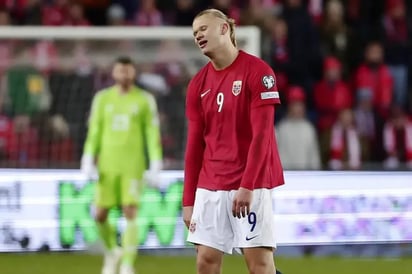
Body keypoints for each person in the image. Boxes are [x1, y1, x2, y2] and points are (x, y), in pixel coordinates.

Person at [183, 8, 285, 274]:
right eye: (195, 33)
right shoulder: (197, 84)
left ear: (224, 28)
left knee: (259, 265)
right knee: (205, 259)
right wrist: (188, 200)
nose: (198, 35)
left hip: (251, 182)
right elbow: (194, 145)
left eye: (203, 28)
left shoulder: (259, 72)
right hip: (210, 183)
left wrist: (247, 186)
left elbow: (262, 136)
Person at [81, 56, 162, 274]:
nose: (124, 75)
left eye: (127, 71)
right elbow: (95, 131)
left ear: (133, 73)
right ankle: (111, 251)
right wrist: (88, 158)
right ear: (114, 73)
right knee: (100, 214)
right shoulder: (102, 99)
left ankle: (127, 264)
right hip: (107, 165)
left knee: (130, 211)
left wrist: (155, 163)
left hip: (132, 166)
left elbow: (152, 134)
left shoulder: (145, 99)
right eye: (120, 71)